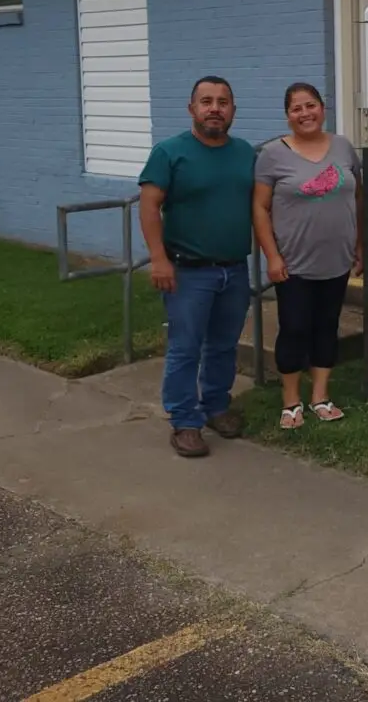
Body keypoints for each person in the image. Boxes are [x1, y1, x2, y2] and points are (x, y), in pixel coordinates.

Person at [138, 75, 257, 458]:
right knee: (185, 348)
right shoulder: (170, 152)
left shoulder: (244, 153)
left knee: (224, 345)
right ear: (192, 109)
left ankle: (216, 407)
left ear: (233, 111)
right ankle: (185, 420)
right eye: (206, 101)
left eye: (223, 102)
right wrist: (158, 258)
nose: (215, 109)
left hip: (235, 269)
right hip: (188, 270)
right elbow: (149, 205)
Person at [252, 82, 363, 429]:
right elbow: (259, 207)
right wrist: (271, 255)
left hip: (337, 259)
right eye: (297, 108)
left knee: (327, 327)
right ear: (288, 116)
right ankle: (291, 401)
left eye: (310, 105)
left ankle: (320, 396)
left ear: (322, 108)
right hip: (293, 263)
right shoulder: (272, 155)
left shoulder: (344, 147)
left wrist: (358, 244)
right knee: (295, 328)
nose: (305, 113)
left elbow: (357, 196)